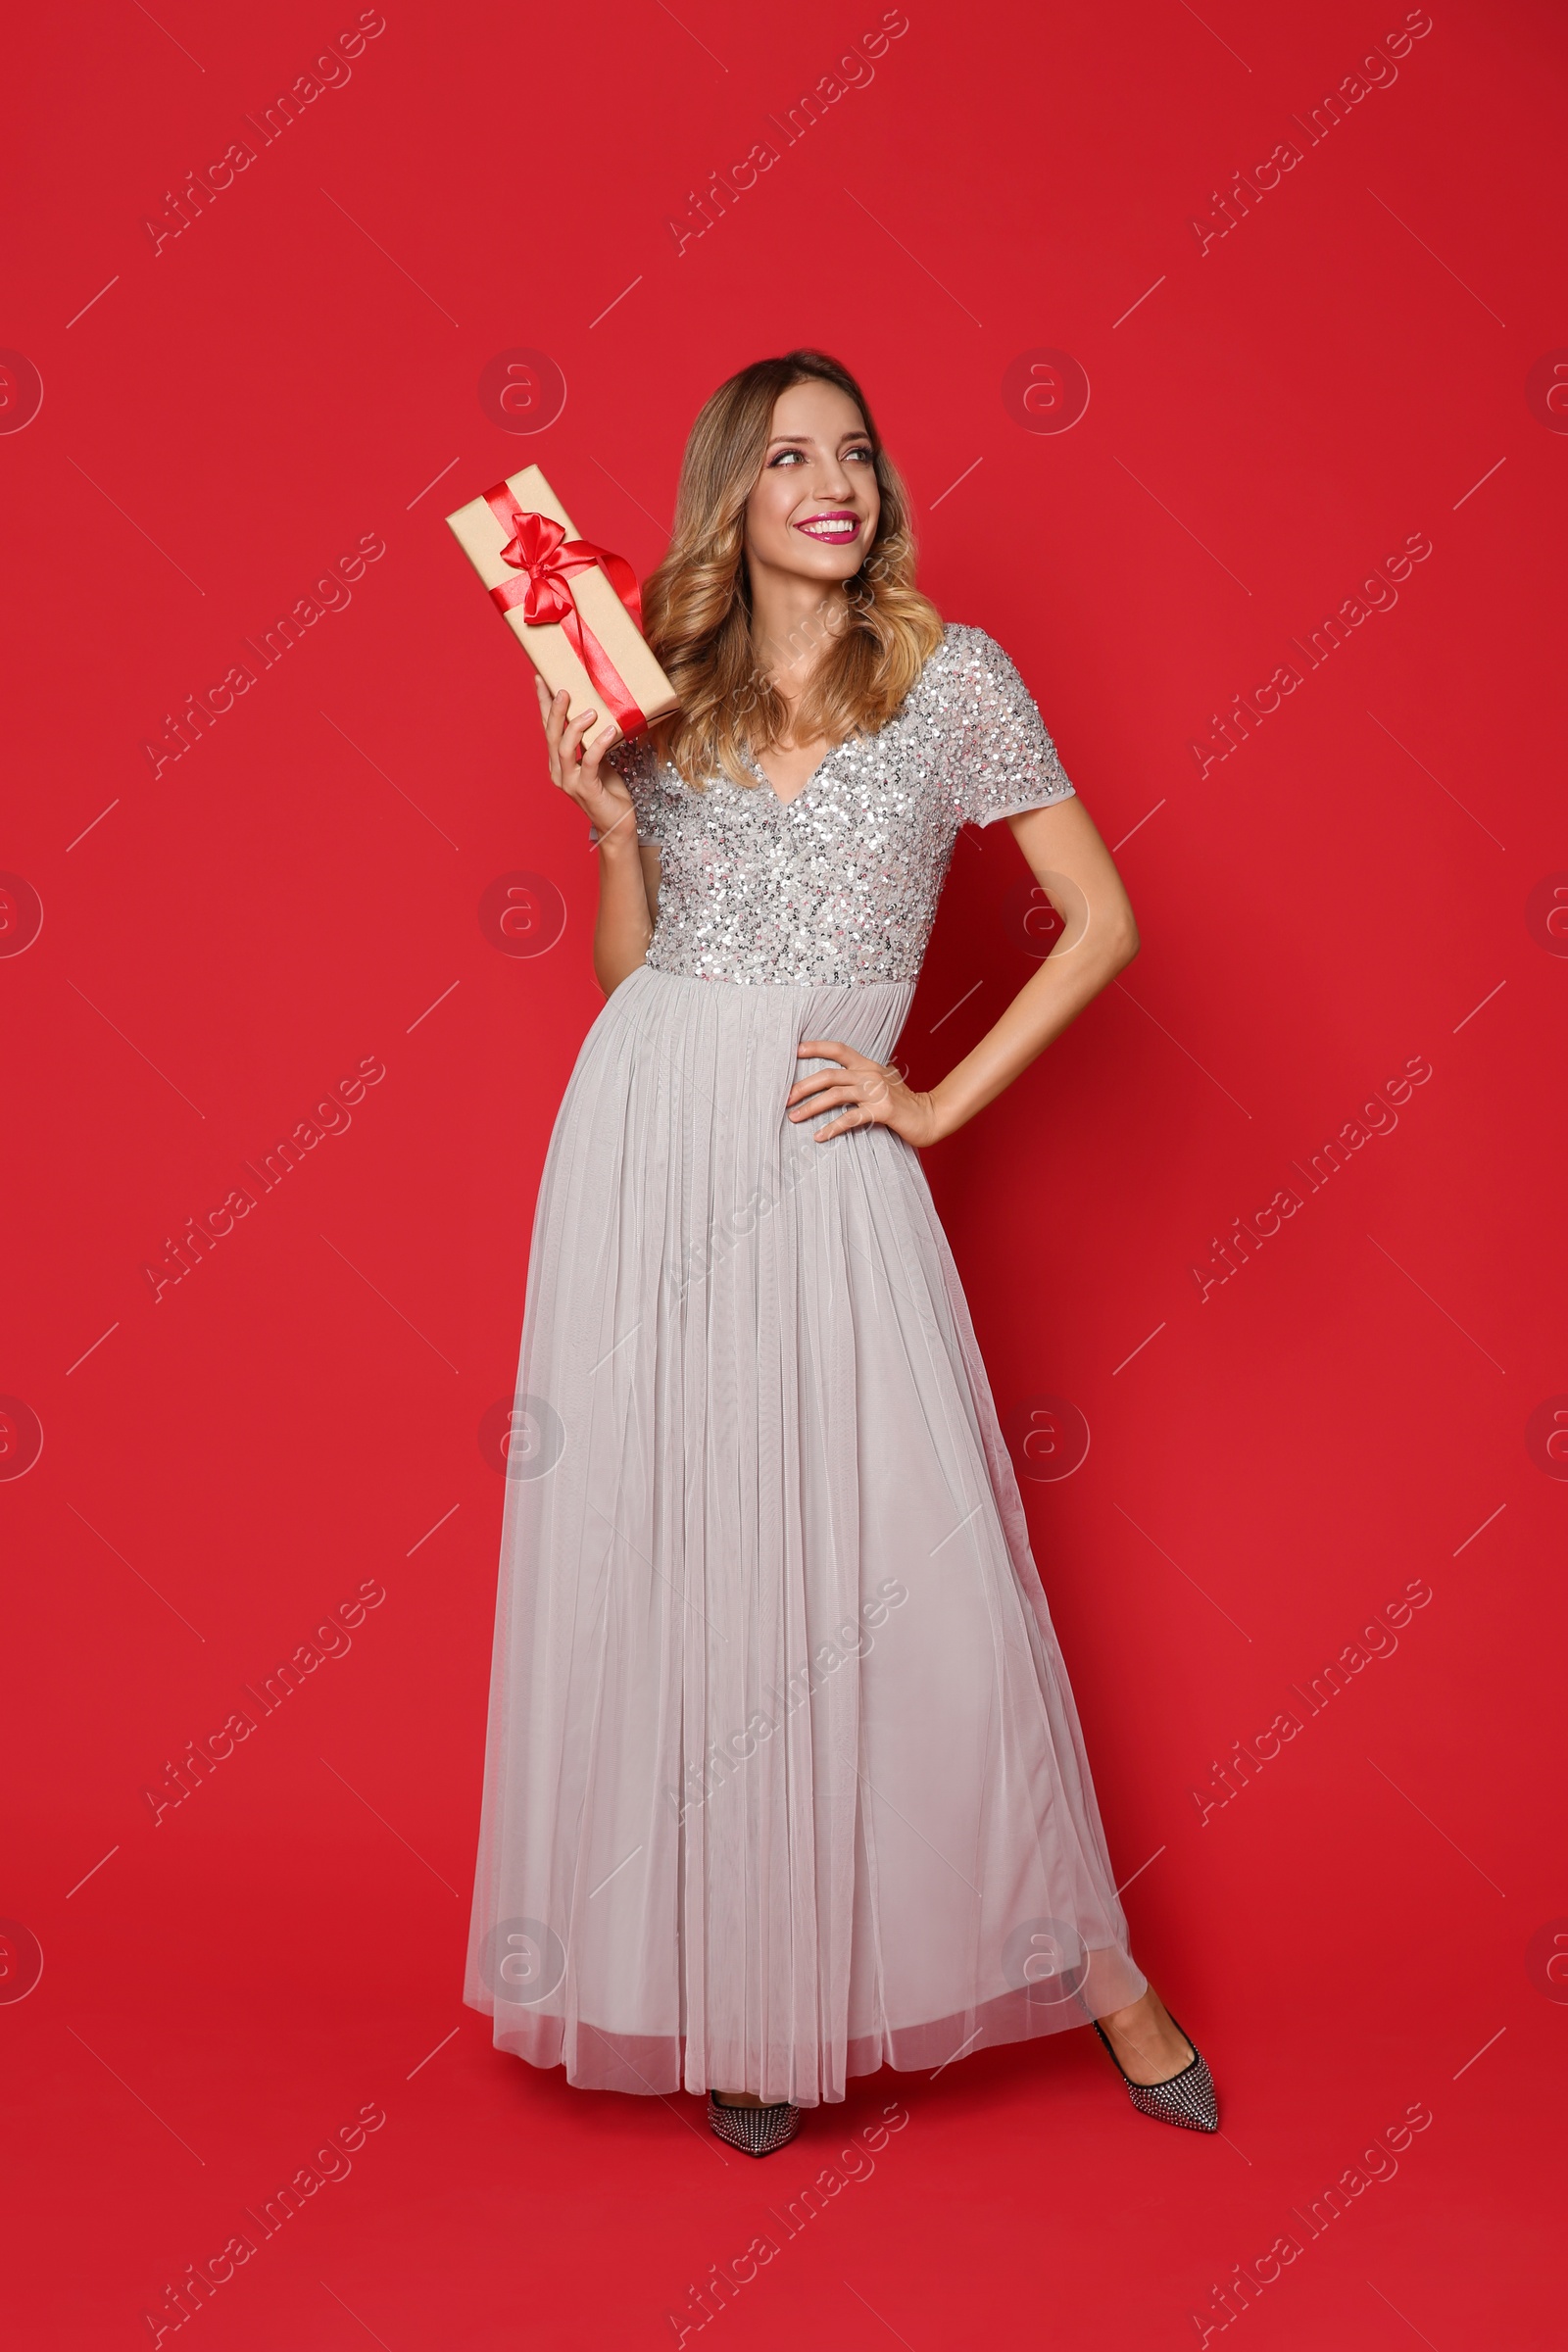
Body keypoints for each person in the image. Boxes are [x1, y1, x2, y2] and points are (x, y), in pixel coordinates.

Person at [464, 349, 1218, 2155]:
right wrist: (604, 826)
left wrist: (939, 1105)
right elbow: (633, 980)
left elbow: (1103, 919)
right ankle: (744, 1998)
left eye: (857, 452)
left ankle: (1104, 1979)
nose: (835, 479)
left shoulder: (954, 680)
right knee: (694, 1552)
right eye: (791, 453)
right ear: (731, 486)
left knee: (906, 1547)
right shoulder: (654, 689)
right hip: (646, 1139)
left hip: (826, 1141)